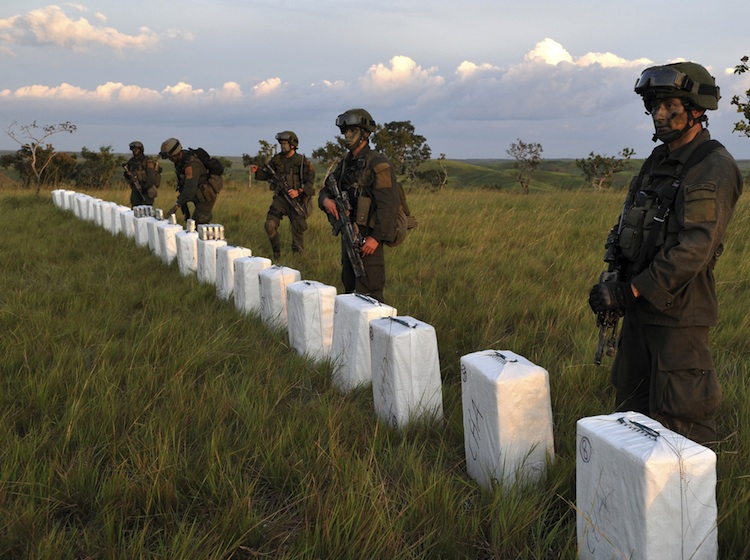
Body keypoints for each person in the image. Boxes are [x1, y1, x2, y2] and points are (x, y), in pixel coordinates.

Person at [588, 62, 743, 446]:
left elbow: (695, 248)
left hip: (678, 317)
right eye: (654, 106)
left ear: (696, 109)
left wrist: (632, 291)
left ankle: (689, 505)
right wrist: (615, 279)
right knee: (630, 419)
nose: (659, 115)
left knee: (682, 423)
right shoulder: (657, 161)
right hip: (640, 312)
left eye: (669, 106)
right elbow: (629, 225)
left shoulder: (712, 166)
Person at [318, 108, 400, 303]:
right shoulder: (347, 163)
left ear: (364, 133)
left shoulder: (378, 163)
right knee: (350, 289)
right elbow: (326, 190)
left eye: (352, 131)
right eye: (345, 131)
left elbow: (389, 206)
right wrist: (326, 201)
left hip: (369, 240)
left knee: (370, 295)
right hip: (349, 235)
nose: (347, 136)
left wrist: (376, 238)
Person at [253, 131, 316, 258]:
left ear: (293, 145)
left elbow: (310, 182)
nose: (283, 146)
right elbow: (268, 174)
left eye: (285, 143)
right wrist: (257, 171)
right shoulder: (277, 159)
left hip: (296, 200)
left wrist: (298, 191)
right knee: (269, 225)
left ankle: (297, 259)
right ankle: (276, 254)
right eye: (281, 143)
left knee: (298, 229)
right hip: (281, 199)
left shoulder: (302, 161)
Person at [160, 137, 221, 224]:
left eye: (171, 157)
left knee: (199, 221)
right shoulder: (180, 162)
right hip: (197, 192)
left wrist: (177, 206)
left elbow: (189, 189)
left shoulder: (191, 165)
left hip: (206, 194)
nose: (170, 160)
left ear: (176, 153)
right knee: (193, 222)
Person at [123, 141, 158, 208]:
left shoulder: (147, 161)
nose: (134, 150)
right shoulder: (131, 161)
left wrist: (145, 188)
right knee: (135, 208)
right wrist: (127, 174)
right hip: (136, 189)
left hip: (147, 189)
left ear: (141, 150)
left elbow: (151, 178)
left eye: (136, 149)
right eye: (133, 149)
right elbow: (127, 175)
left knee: (147, 209)